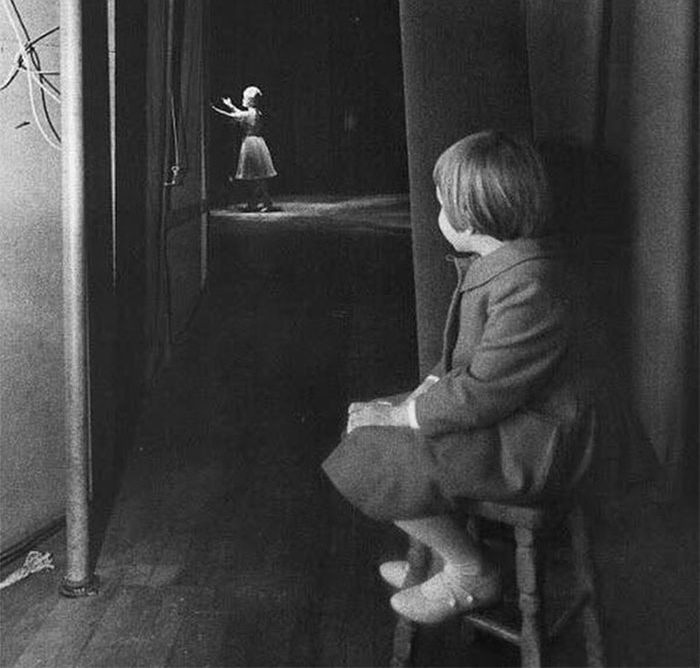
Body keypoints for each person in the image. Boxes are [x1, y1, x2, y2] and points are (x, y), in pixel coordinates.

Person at [322, 130, 601, 625]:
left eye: (440, 204)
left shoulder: (528, 283)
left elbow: (484, 393)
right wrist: (415, 399)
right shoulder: (507, 265)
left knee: (374, 452)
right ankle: (437, 555)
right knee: (369, 423)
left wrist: (401, 415)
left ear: (467, 217)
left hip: (537, 443)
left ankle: (471, 570)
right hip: (512, 418)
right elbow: (465, 367)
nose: (438, 215)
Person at [212, 85, 277, 212]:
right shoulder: (255, 112)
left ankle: (264, 202)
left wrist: (214, 109)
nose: (243, 100)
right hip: (258, 142)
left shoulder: (248, 114)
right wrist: (230, 105)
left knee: (256, 177)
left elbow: (232, 116)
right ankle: (256, 202)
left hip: (251, 145)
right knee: (257, 177)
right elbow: (239, 114)